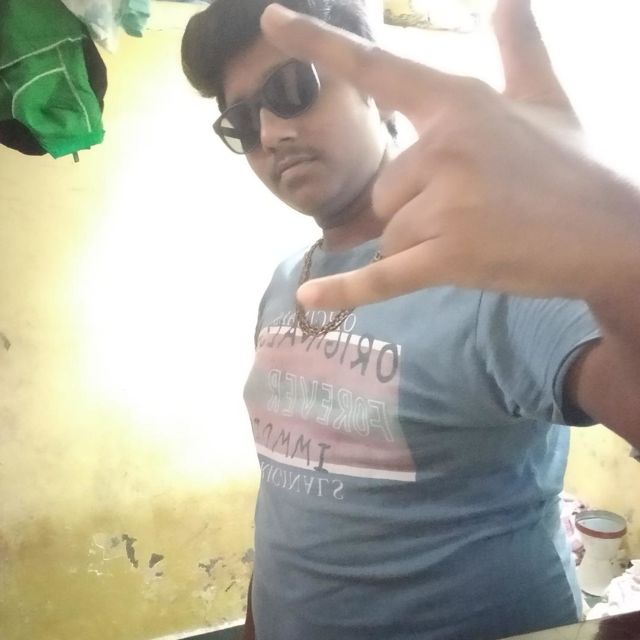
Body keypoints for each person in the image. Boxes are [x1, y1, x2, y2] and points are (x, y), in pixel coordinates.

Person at [181, 1, 640, 638]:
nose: (271, 133)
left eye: (290, 89)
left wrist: (621, 242)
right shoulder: (288, 280)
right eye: (241, 120)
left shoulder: (490, 264)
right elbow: (290, 499)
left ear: (378, 95)